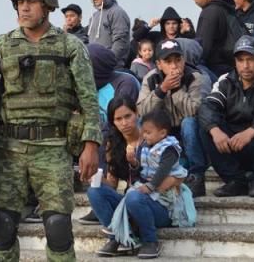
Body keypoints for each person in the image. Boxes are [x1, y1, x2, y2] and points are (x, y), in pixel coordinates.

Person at [0, 0, 102, 262]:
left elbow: (89, 98)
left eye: (31, 1)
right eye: (20, 2)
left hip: (53, 147)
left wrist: (92, 143)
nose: (24, 8)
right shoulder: (2, 46)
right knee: (1, 226)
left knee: (58, 227)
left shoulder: (69, 47)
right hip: (8, 148)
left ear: (48, 6)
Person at [198, 35, 254, 197]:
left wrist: (251, 132)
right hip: (233, 147)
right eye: (240, 60)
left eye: (250, 59)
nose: (245, 66)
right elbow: (207, 106)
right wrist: (215, 130)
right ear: (235, 62)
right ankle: (235, 181)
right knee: (205, 126)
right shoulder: (225, 81)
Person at [97, 110, 194, 259]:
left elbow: (163, 171)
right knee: (104, 192)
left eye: (148, 133)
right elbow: (141, 171)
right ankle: (118, 235)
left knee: (133, 197)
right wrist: (133, 163)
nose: (144, 136)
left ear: (162, 133)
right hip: (146, 194)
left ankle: (149, 241)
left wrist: (150, 186)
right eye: (144, 132)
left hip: (163, 200)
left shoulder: (169, 148)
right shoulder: (146, 146)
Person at [137, 39, 210, 197]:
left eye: (178, 60)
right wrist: (162, 90)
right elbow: (142, 111)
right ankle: (143, 173)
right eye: (168, 61)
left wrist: (176, 89)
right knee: (141, 124)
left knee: (189, 122)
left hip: (190, 137)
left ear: (184, 60)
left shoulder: (196, 77)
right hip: (162, 137)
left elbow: (194, 111)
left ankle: (197, 177)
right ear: (159, 64)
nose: (174, 66)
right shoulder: (150, 79)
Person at [85, 97, 143, 230]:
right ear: (113, 122)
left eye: (128, 116)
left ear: (137, 113)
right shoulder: (113, 142)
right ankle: (116, 234)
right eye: (118, 119)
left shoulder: (149, 137)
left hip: (148, 200)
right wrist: (94, 177)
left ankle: (118, 237)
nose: (124, 123)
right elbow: (113, 184)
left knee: (134, 199)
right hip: (128, 201)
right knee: (94, 191)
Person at [192, 0, 238, 76]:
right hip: (229, 66)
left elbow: (202, 48)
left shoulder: (209, 12)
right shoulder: (225, 7)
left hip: (214, 68)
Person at [84, 0, 131, 67]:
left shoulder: (117, 13)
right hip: (95, 69)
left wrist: (106, 63)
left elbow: (120, 43)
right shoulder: (94, 16)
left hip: (112, 70)